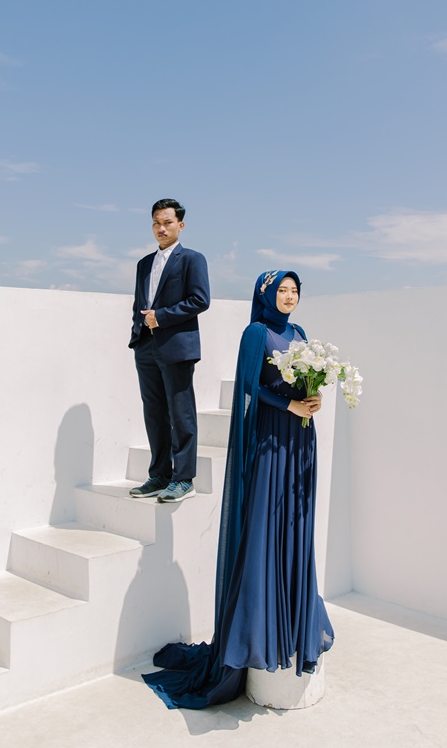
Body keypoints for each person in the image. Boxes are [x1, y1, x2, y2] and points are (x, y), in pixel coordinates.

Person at [143, 269, 334, 707]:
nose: (289, 296)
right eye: (282, 290)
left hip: (300, 440)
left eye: (294, 291)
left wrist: (314, 398)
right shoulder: (256, 333)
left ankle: (292, 618)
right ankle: (258, 630)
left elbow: (308, 381)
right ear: (266, 295)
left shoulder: (301, 334)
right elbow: (249, 387)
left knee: (295, 524)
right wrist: (288, 404)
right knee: (266, 527)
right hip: (271, 439)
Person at [128, 199, 210, 503]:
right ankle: (159, 475)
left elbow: (200, 300)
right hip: (145, 346)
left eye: (167, 222)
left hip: (176, 346)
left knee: (180, 412)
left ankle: (184, 478)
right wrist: (137, 334)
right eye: (156, 223)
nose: (161, 228)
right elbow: (139, 303)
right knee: (154, 414)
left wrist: (161, 317)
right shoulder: (143, 264)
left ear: (180, 225)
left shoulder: (192, 259)